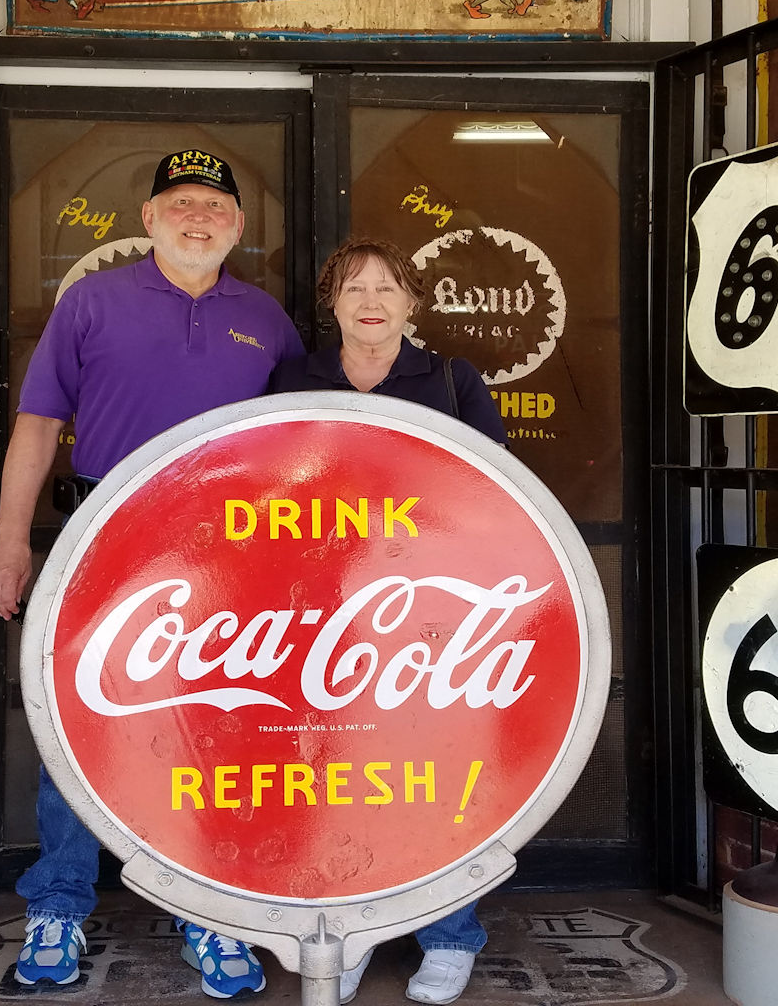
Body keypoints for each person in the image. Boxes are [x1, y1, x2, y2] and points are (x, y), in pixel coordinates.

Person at [0, 148, 303, 997]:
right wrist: (12, 541)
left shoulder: (267, 320)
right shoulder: (90, 301)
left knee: (217, 733)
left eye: (214, 206)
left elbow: (304, 445)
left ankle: (213, 910)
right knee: (81, 724)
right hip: (104, 534)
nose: (198, 217)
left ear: (236, 226)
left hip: (231, 553)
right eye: (180, 203)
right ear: (149, 219)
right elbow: (37, 425)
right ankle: (57, 905)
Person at [266, 235, 504, 1006]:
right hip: (323, 609)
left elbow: (492, 490)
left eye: (387, 288)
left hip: (429, 614)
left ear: (411, 303)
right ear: (330, 304)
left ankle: (449, 935)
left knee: (437, 769)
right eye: (353, 289)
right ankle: (351, 933)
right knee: (338, 774)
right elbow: (267, 486)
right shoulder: (292, 375)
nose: (370, 301)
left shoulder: (450, 378)